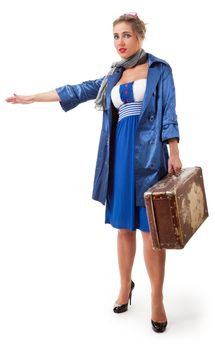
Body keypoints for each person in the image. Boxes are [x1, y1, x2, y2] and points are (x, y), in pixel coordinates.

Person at [5, 12, 182, 333]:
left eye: (126, 35)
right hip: (119, 158)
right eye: (115, 36)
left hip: (150, 157)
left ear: (140, 36)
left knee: (150, 231)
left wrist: (174, 151)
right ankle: (124, 286)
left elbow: (169, 110)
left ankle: (157, 298)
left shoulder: (159, 69)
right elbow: (76, 90)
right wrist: (31, 98)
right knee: (123, 227)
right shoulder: (113, 76)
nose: (120, 43)